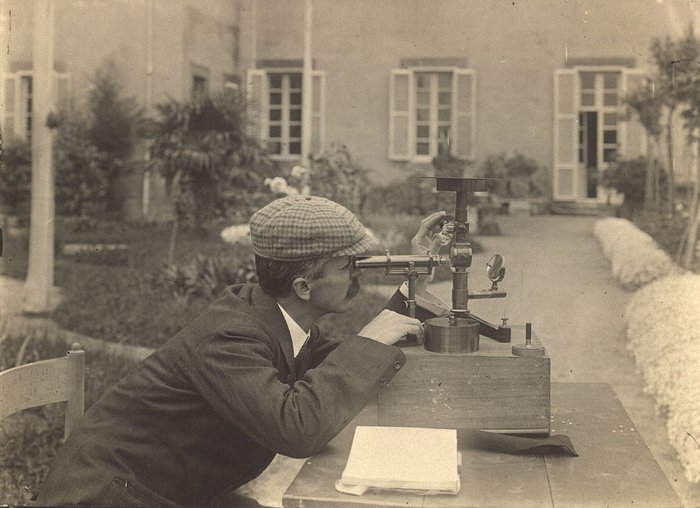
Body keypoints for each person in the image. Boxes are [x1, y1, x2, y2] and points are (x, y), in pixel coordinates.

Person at [36, 196, 450, 507]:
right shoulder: (229, 338)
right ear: (304, 288)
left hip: (167, 490)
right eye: (349, 267)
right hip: (105, 498)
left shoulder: (269, 315)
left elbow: (336, 368)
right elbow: (297, 427)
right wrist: (368, 340)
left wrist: (414, 279)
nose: (357, 276)